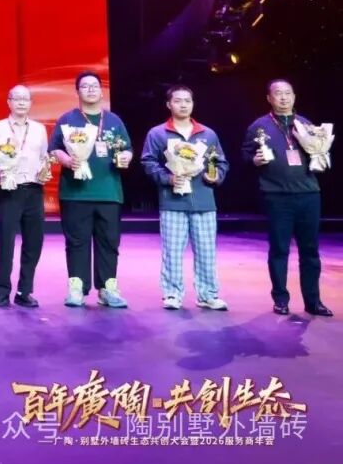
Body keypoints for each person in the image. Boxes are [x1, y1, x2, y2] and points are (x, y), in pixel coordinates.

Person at [242, 79, 332, 317]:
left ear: (294, 97)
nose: (283, 98)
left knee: (310, 251)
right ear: (269, 98)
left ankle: (313, 301)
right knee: (279, 250)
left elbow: (320, 151)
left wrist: (322, 152)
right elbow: (245, 156)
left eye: (288, 93)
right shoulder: (259, 126)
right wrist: (254, 160)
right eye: (278, 93)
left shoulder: (306, 125)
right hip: (277, 196)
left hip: (309, 194)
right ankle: (281, 299)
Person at [48, 71, 134, 309]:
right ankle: (77, 287)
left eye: (95, 85)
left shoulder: (114, 120)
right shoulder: (67, 119)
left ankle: (108, 288)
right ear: (77, 91)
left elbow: (127, 149)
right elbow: (54, 149)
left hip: (109, 192)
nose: (90, 89)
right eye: (85, 86)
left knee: (109, 242)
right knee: (77, 242)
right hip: (75, 193)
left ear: (101, 90)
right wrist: (67, 161)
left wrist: (125, 157)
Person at [140, 85, 229, 311]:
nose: (183, 105)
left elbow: (221, 162)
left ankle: (208, 294)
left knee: (207, 251)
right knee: (172, 251)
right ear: (168, 104)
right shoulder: (157, 133)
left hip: (204, 200)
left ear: (193, 104)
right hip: (172, 201)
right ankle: (172, 294)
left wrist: (215, 175)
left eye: (187, 101)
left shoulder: (208, 134)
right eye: (178, 101)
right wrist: (168, 178)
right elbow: (148, 162)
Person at [0, 85, 50, 309]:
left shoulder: (39, 129)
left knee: (34, 242)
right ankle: (2, 291)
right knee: (6, 243)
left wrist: (45, 169)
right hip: (8, 190)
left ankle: (25, 291)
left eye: (25, 99)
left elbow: (44, 158)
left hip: (34, 190)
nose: (21, 102)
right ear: (8, 102)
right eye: (16, 98)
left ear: (30, 103)